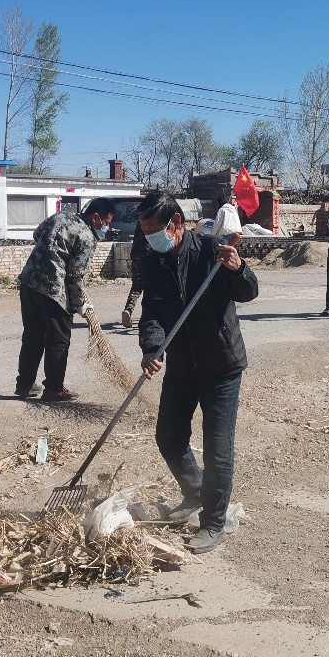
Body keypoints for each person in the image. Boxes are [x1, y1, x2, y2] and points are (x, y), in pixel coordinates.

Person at [136, 190, 258, 554]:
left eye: (153, 230)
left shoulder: (211, 253)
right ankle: (195, 492)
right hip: (181, 366)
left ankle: (214, 521)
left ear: (175, 222)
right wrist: (151, 349)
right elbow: (152, 315)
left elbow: (248, 292)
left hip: (222, 366)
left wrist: (238, 268)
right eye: (145, 231)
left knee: (217, 449)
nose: (149, 238)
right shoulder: (153, 264)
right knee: (169, 437)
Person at [15, 198, 115, 401]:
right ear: (96, 217)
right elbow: (74, 277)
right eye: (106, 222)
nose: (107, 227)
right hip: (54, 290)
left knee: (33, 336)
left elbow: (37, 234)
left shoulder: (61, 216)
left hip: (29, 283)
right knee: (58, 340)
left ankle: (24, 384)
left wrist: (50, 253)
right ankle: (54, 388)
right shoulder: (87, 237)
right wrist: (80, 305)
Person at [121, 227, 149, 328]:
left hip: (136, 256)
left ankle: (128, 310)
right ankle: (148, 316)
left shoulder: (140, 222)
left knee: (136, 287)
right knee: (151, 288)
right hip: (149, 256)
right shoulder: (153, 222)